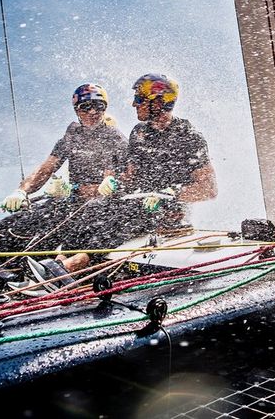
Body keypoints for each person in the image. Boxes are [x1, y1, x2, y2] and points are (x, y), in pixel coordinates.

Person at [47, 73, 218, 277]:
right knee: (93, 208)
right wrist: (112, 183)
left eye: (139, 99)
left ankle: (70, 268)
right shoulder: (139, 133)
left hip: (168, 212)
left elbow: (209, 189)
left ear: (159, 102)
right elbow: (130, 176)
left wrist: (170, 193)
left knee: (125, 216)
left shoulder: (188, 136)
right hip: (137, 201)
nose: (133, 104)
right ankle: (58, 261)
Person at [0, 83, 128, 253]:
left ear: (105, 108)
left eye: (98, 106)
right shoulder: (72, 135)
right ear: (76, 110)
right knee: (24, 218)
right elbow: (45, 170)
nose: (93, 112)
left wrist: (86, 187)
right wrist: (21, 192)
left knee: (48, 227)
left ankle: (22, 264)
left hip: (97, 208)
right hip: (71, 202)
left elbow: (115, 180)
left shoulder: (114, 138)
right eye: (86, 107)